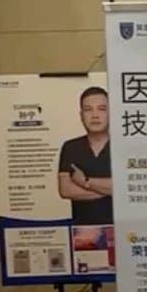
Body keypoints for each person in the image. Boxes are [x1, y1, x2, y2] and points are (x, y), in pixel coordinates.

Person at [58, 86, 114, 225]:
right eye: (88, 109)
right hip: (83, 230)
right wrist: (110, 190)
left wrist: (85, 182)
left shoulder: (123, 146)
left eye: (101, 109)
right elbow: (66, 190)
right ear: (81, 115)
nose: (95, 115)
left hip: (121, 228)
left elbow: (127, 186)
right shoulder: (71, 147)